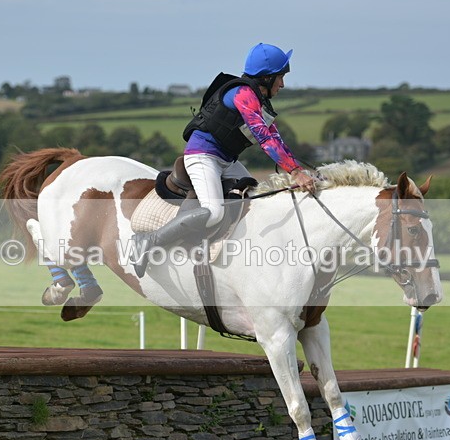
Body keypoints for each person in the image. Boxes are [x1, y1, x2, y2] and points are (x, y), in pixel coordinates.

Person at [130, 42, 316, 277]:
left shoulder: (259, 101)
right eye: (280, 77)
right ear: (267, 78)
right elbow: (264, 139)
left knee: (253, 199)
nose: (283, 84)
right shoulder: (243, 95)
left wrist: (298, 169)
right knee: (214, 212)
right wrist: (294, 173)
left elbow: (275, 138)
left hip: (226, 160)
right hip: (203, 156)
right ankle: (149, 240)